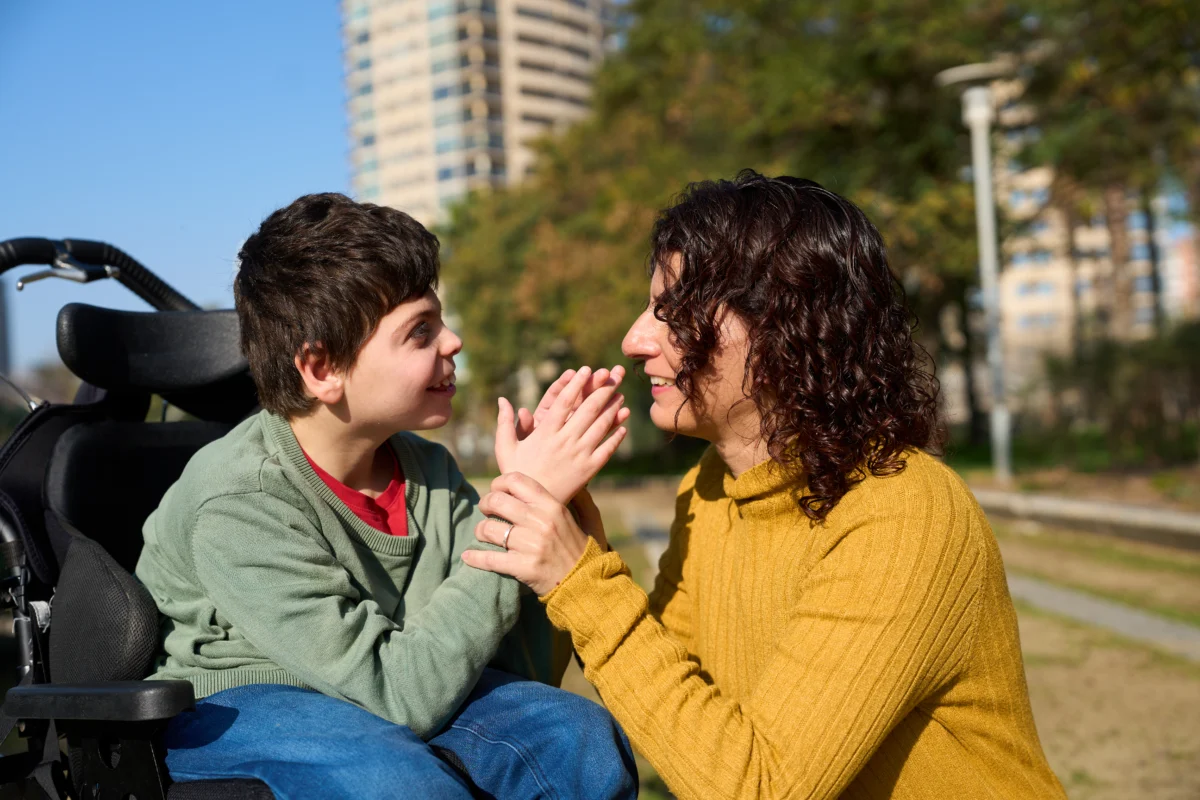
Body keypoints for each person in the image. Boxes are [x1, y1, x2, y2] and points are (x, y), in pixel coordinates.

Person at [466, 171, 1068, 798]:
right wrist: (577, 540)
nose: (635, 339)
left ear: (786, 326)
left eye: (674, 313)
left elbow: (761, 787)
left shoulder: (904, 513)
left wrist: (580, 580)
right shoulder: (709, 488)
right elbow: (674, 719)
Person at [134, 193, 638, 800]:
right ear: (322, 369)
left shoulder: (430, 472)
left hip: (390, 687)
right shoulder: (238, 500)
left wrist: (544, 505)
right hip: (243, 704)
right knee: (395, 782)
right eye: (420, 331)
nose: (453, 342)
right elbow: (398, 696)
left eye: (440, 320)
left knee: (576, 740)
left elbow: (514, 666)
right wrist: (515, 514)